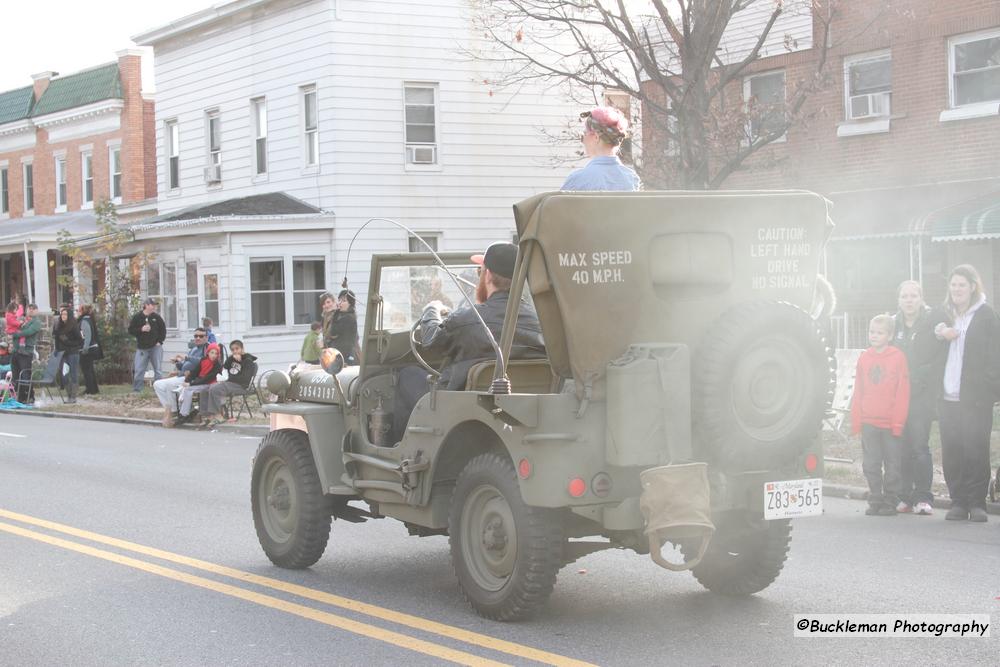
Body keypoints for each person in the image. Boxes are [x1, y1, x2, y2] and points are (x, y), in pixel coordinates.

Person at [393, 242, 546, 439]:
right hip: (524, 413)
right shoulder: (540, 321)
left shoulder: (467, 319)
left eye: (479, 271)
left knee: (406, 375)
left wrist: (432, 309)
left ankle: (404, 448)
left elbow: (430, 340)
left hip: (458, 412)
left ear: (488, 275)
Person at [934, 264, 1000, 523]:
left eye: (962, 284)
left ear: (973, 286)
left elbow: (996, 355)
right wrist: (938, 333)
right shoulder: (943, 315)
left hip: (975, 398)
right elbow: (927, 344)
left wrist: (989, 386)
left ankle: (977, 502)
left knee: (976, 448)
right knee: (952, 449)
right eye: (953, 285)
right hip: (948, 397)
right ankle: (958, 501)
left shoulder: (986, 315)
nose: (957, 289)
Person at [890, 281, 948, 515]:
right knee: (901, 446)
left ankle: (923, 497)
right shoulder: (894, 324)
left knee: (919, 446)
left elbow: (939, 357)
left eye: (914, 295)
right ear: (899, 300)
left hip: (921, 395)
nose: (909, 300)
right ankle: (905, 495)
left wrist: (920, 377)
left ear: (921, 298)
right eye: (905, 296)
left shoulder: (932, 321)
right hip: (898, 396)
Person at [851, 314, 910, 517]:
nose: (874, 336)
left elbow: (902, 391)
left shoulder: (897, 358)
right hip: (869, 421)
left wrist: (898, 422)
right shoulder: (864, 358)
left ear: (890, 335)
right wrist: (856, 420)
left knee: (893, 464)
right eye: (872, 332)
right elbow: (858, 389)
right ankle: (875, 498)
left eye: (880, 333)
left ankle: (890, 500)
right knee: (871, 463)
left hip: (890, 423)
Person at [561, 106, 641, 192]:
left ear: (596, 137)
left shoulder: (576, 180)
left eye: (584, 134)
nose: (583, 140)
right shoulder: (631, 179)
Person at [153, 327, 210, 427]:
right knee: (157, 384)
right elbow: (184, 365)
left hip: (192, 378)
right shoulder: (193, 349)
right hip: (181, 376)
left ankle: (174, 411)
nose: (198, 338)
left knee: (169, 386)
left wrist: (187, 358)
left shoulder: (208, 348)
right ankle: (173, 409)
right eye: (196, 336)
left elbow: (203, 362)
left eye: (201, 336)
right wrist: (177, 362)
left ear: (206, 337)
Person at [200, 340, 258, 427]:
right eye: (232, 350)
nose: (235, 351)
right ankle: (208, 416)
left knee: (215, 389)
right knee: (205, 389)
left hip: (241, 386)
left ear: (242, 348)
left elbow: (245, 379)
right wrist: (231, 358)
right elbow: (225, 366)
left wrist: (229, 379)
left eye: (237, 349)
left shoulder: (248, 361)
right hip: (230, 383)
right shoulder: (233, 359)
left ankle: (218, 416)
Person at [175, 342, 223, 426]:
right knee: (181, 389)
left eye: (216, 353)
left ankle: (184, 414)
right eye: (212, 352)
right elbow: (195, 372)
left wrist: (191, 383)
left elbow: (208, 378)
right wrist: (187, 380)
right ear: (208, 352)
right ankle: (187, 411)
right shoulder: (203, 360)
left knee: (188, 389)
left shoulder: (217, 365)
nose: (214, 355)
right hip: (200, 382)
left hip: (209, 384)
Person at [128, 298, 167, 392]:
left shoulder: (156, 317)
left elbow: (163, 330)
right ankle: (137, 390)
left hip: (155, 347)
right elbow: (131, 330)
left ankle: (159, 390)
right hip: (142, 347)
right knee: (139, 369)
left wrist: (160, 342)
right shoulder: (137, 317)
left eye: (154, 305)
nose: (153, 307)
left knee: (157, 369)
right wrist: (141, 329)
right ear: (146, 305)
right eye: (151, 305)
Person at [11, 303, 42, 404]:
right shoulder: (22, 319)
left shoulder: (36, 322)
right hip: (16, 350)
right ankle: (20, 397)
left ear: (37, 311)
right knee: (16, 375)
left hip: (26, 352)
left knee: (25, 375)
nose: (31, 310)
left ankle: (30, 396)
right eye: (29, 308)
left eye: (33, 309)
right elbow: (12, 329)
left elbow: (29, 332)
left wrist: (17, 333)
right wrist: (16, 331)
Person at [53, 306, 84, 404]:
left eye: (65, 314)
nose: (63, 316)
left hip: (73, 353)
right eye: (62, 314)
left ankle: (73, 396)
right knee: (64, 374)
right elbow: (57, 339)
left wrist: (67, 341)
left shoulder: (73, 326)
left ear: (69, 315)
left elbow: (80, 341)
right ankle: (69, 394)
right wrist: (57, 350)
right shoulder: (59, 325)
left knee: (74, 374)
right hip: (63, 354)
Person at [327, 289, 359, 365]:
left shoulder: (348, 318)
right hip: (342, 355)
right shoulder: (344, 315)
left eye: (343, 301)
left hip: (346, 357)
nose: (340, 303)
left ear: (350, 304)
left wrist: (336, 312)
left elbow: (333, 331)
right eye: (339, 300)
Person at [77, 304, 102, 395]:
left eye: (78, 310)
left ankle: (90, 389)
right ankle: (93, 389)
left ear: (82, 311)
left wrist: (85, 348)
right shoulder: (89, 319)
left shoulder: (84, 321)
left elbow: (87, 336)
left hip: (88, 349)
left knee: (87, 370)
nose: (77, 312)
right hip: (91, 347)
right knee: (89, 369)